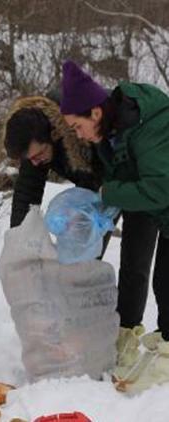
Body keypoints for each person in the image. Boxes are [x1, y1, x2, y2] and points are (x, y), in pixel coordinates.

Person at [3, 94, 158, 382]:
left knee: (135, 260)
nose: (35, 162)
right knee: (81, 265)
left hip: (137, 180)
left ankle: (125, 337)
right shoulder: (33, 139)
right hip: (95, 190)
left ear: (55, 133)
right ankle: (84, 334)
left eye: (38, 155)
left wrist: (96, 215)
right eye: (29, 159)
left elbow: (107, 172)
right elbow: (26, 196)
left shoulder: (82, 127)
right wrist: (19, 242)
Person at [60, 59, 169, 393]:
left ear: (95, 113)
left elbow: (159, 187)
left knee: (166, 280)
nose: (78, 135)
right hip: (161, 208)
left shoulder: (148, 124)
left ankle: (165, 358)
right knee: (151, 273)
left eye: (77, 126)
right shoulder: (111, 132)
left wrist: (111, 192)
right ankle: (148, 342)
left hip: (163, 197)